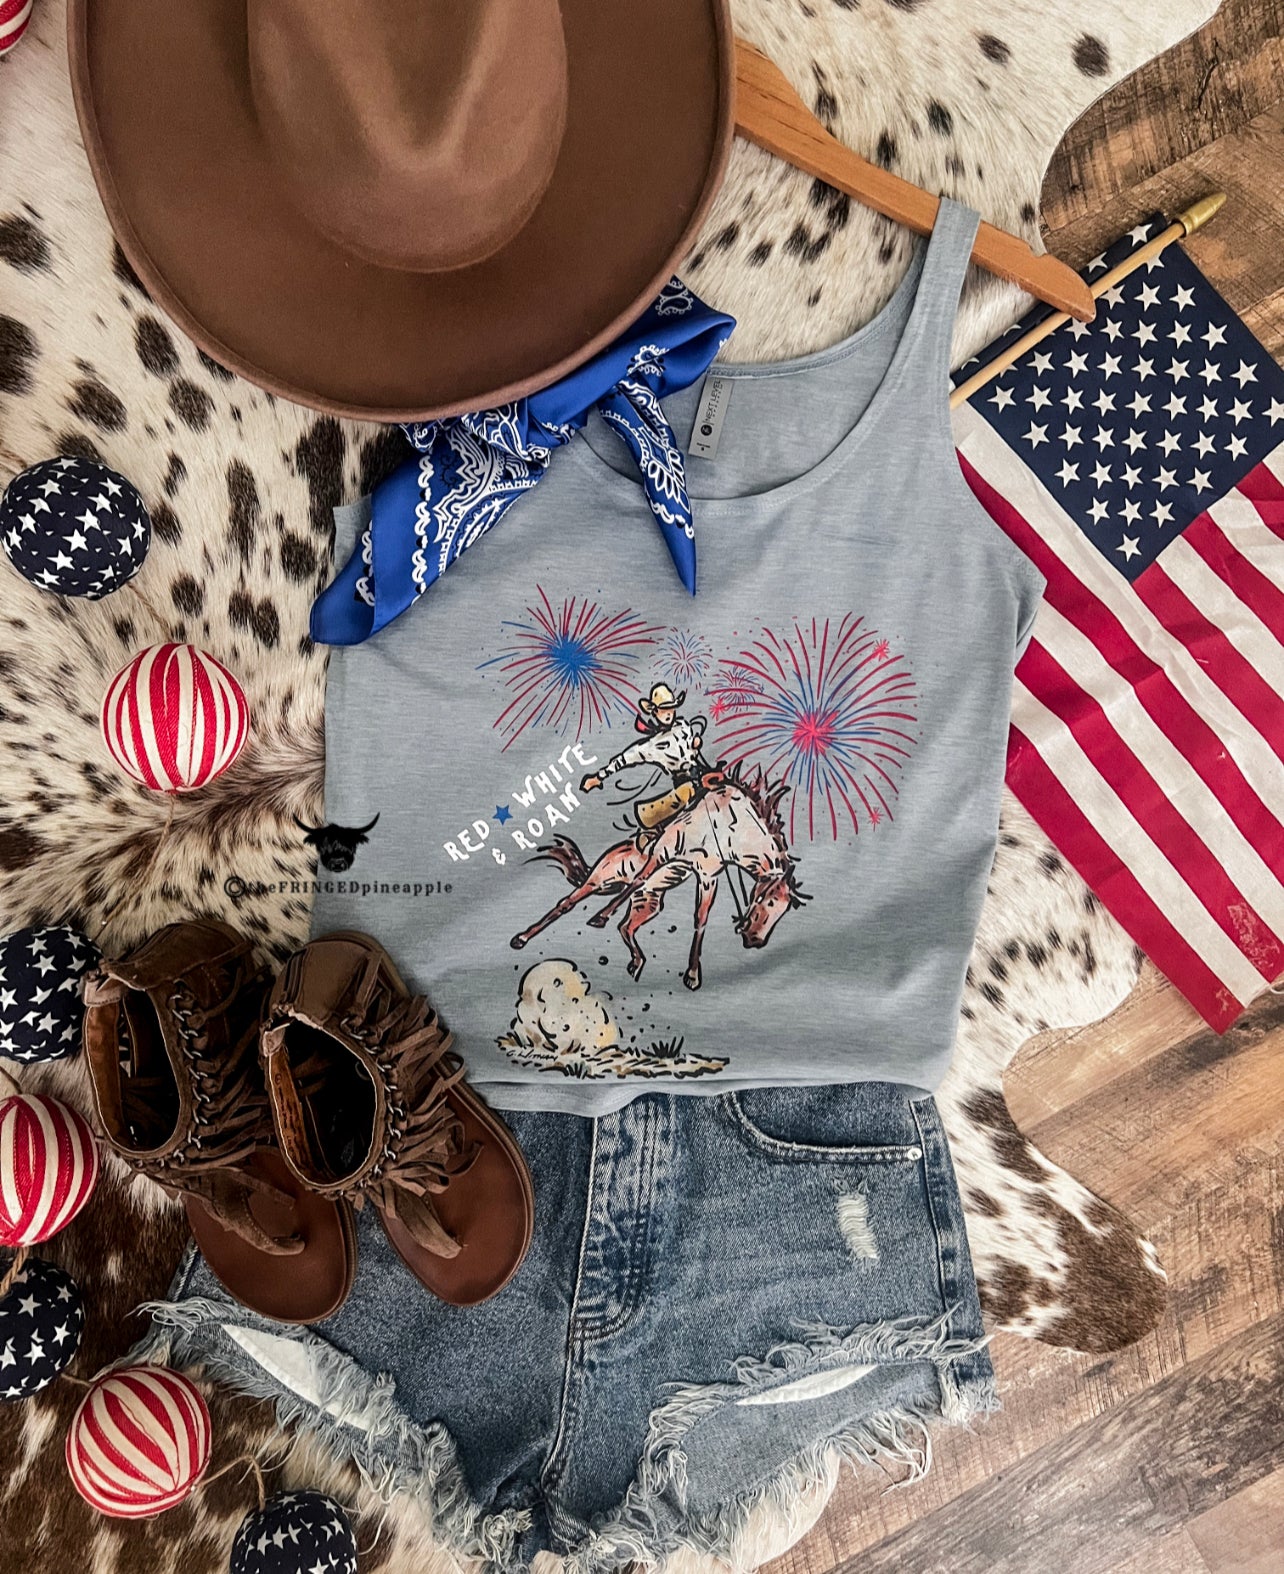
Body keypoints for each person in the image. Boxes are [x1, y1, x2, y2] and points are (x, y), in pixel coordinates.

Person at [581, 683, 709, 849]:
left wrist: (695, 744)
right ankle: (651, 828)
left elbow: (690, 748)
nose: (668, 714)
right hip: (684, 783)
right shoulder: (652, 745)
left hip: (700, 772)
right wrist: (598, 777)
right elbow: (625, 758)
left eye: (670, 709)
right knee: (686, 797)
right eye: (663, 710)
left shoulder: (683, 726)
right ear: (655, 712)